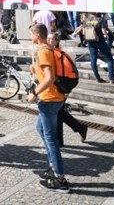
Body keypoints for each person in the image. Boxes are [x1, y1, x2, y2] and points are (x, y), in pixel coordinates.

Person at [27, 23, 70, 193]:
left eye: (31, 34)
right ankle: (53, 164)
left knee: (51, 139)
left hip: (49, 100)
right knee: (40, 129)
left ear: (36, 36)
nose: (30, 37)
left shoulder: (43, 51)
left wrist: (34, 93)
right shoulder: (49, 49)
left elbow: (50, 78)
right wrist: (35, 70)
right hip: (55, 98)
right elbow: (45, 74)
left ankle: (60, 178)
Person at [47, 33, 88, 146]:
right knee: (59, 113)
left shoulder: (57, 54)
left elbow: (66, 74)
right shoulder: (53, 53)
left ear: (56, 41)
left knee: (58, 113)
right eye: (48, 39)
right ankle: (79, 129)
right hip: (58, 87)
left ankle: (62, 139)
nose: (49, 41)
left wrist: (66, 90)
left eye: (52, 39)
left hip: (61, 87)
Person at [73, 12, 114, 84]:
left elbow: (82, 31)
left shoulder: (86, 20)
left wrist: (76, 33)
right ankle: (111, 78)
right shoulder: (99, 19)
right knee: (109, 59)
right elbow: (103, 31)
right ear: (96, 12)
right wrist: (107, 36)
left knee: (93, 58)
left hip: (90, 41)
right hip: (100, 41)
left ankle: (97, 77)